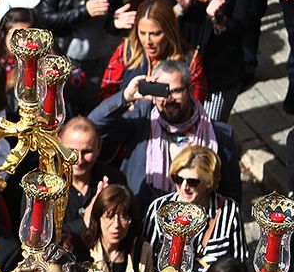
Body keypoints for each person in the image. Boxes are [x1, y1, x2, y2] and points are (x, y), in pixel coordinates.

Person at [90, 57, 239, 208]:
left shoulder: (219, 135)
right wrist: (125, 97)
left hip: (196, 221)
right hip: (145, 219)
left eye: (175, 91)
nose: (168, 99)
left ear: (191, 90)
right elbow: (93, 126)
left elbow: (231, 196)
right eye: (161, 91)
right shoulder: (142, 120)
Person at [140, 145, 244, 272]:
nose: (184, 187)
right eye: (178, 179)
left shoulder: (228, 211)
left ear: (209, 182)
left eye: (192, 182)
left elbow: (239, 262)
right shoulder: (159, 208)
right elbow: (146, 260)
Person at [97, 0, 205, 104]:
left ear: (170, 32)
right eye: (142, 33)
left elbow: (195, 107)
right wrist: (126, 101)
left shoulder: (190, 61)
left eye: (155, 34)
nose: (147, 41)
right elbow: (106, 98)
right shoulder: (127, 50)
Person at [73, 181, 141, 272]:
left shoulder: (141, 251)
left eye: (124, 217)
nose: (116, 225)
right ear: (98, 217)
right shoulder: (82, 249)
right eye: (109, 216)